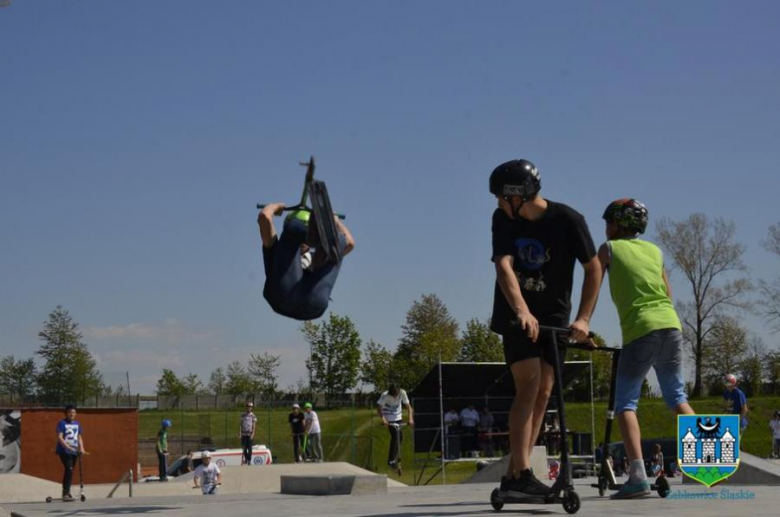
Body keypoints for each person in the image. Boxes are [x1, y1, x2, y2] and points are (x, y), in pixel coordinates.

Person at [489, 159, 601, 501]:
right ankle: (522, 472)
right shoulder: (503, 220)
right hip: (516, 312)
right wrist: (522, 309)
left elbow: (593, 269)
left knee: (545, 391)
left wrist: (583, 319)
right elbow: (504, 266)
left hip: (554, 314)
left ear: (517, 195)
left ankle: (513, 477)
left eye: (499, 197)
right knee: (530, 383)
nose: (496, 204)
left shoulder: (568, 220)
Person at [597, 198, 695, 499]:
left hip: (641, 329)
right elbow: (667, 291)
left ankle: (638, 477)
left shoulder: (609, 249)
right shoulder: (655, 251)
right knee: (676, 396)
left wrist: (582, 320)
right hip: (671, 325)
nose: (605, 229)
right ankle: (711, 463)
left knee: (626, 402)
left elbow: (593, 280)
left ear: (617, 223)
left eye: (608, 222)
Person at [258, 203, 355, 321]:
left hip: (308, 301)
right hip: (296, 300)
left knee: (336, 247)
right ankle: (299, 230)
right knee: (336, 245)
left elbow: (349, 243)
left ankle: (301, 230)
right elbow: (264, 217)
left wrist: (274, 208)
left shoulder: (317, 256)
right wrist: (276, 206)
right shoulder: (276, 249)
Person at [377, 383, 415, 472]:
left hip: (398, 417)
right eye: (393, 395)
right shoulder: (385, 395)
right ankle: (391, 460)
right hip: (388, 417)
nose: (394, 397)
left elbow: (409, 407)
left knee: (400, 437)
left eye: (396, 395)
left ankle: (392, 458)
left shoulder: (402, 393)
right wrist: (384, 420)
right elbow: (379, 409)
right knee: (395, 435)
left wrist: (410, 419)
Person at [56, 405, 86, 501]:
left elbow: (79, 437)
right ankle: (65, 493)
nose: (71, 414)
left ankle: (67, 492)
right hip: (64, 451)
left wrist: (82, 448)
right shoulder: (62, 423)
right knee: (69, 468)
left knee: (70, 470)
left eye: (73, 412)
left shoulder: (77, 424)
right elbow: (60, 437)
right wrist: (66, 446)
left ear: (75, 414)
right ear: (66, 413)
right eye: (69, 412)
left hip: (74, 452)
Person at [239, 401, 257, 466]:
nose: (249, 408)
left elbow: (254, 426)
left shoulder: (253, 416)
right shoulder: (243, 415)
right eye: (248, 406)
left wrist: (253, 434)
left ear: (252, 408)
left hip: (249, 434)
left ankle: (249, 460)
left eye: (250, 407)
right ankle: (246, 459)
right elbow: (240, 425)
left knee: (249, 448)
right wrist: (240, 433)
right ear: (246, 407)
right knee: (244, 448)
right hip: (243, 434)